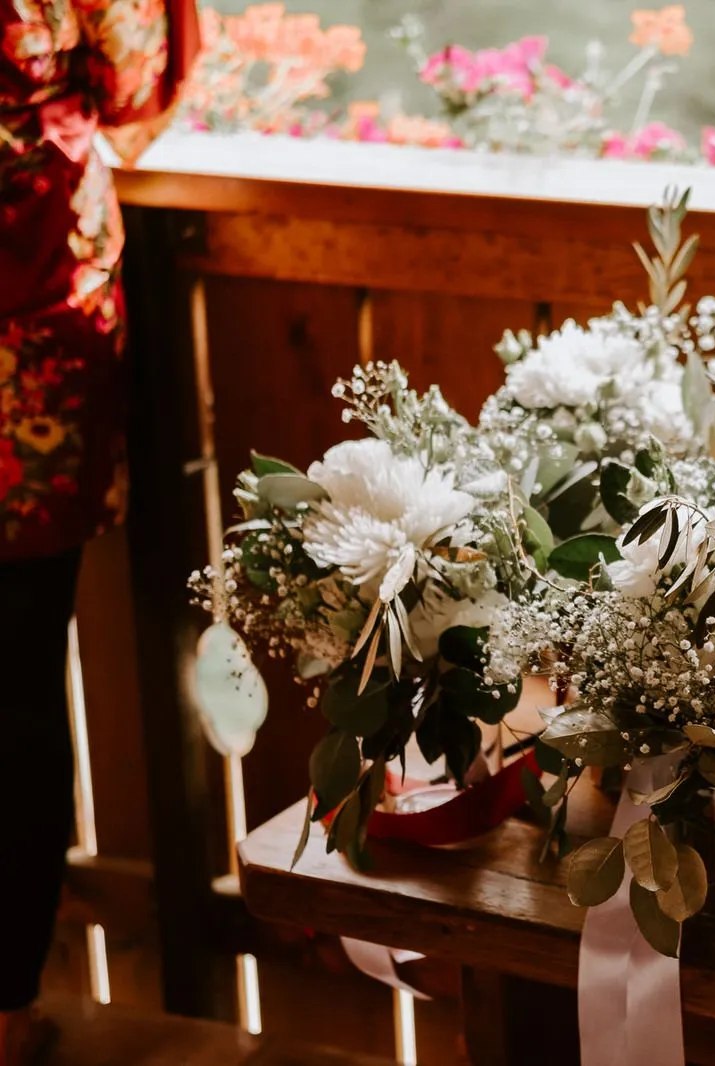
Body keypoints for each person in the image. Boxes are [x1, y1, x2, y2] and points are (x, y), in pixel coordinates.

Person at [1, 0, 196, 1060]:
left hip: (29, 315)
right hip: (28, 314)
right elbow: (137, 90)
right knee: (16, 682)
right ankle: (4, 1009)